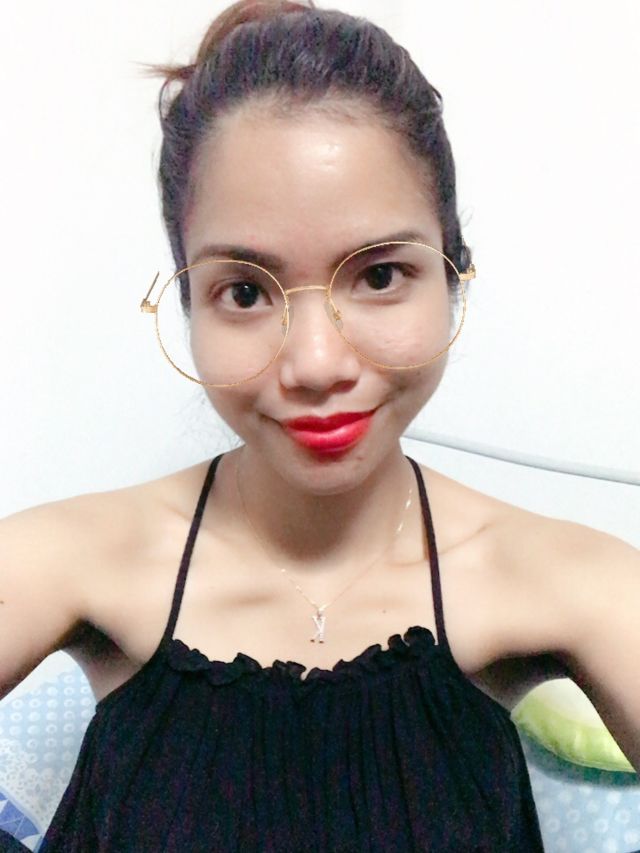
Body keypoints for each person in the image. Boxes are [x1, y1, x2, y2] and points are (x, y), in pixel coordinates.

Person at [1, 1, 638, 850]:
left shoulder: (574, 583)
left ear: (455, 277)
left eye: (379, 275)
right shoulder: (77, 560)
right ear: (189, 303)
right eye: (245, 291)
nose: (314, 362)